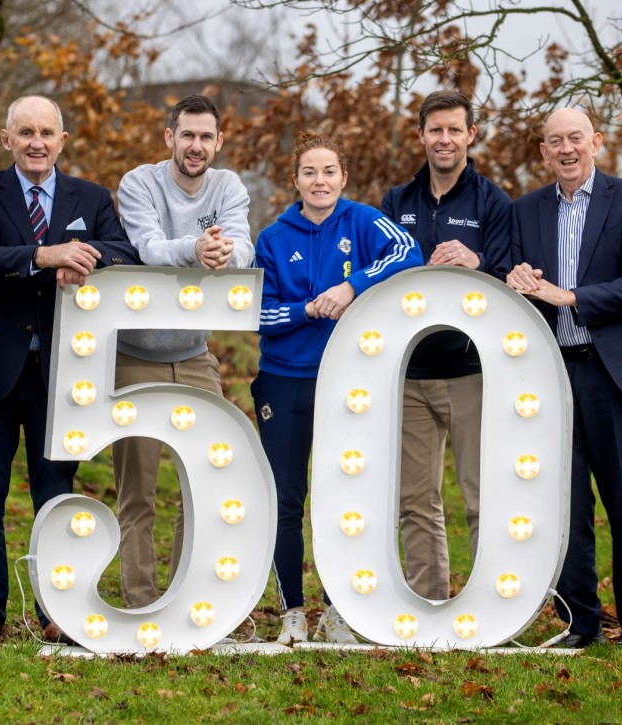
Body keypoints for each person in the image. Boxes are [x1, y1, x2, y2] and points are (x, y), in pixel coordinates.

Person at [0, 95, 140, 641]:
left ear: (62, 140)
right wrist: (44, 254)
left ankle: (59, 613)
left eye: (46, 132)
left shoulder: (92, 196)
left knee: (56, 499)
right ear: (7, 139)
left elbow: (123, 253)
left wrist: (86, 257)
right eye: (25, 132)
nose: (37, 142)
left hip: (63, 373)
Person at [506, 108, 622, 648]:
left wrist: (571, 297)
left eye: (575, 138)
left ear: (596, 142)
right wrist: (513, 276)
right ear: (543, 151)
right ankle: (580, 621)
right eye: (554, 141)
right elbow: (509, 273)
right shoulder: (524, 210)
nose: (566, 149)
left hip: (616, 374)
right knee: (566, 504)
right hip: (551, 375)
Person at [253, 131, 423, 644]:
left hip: (348, 381)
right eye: (309, 172)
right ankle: (292, 613)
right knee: (286, 498)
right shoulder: (273, 238)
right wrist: (305, 310)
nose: (319, 180)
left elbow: (409, 252)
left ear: (343, 178)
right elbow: (257, 313)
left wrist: (353, 286)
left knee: (340, 496)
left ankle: (337, 610)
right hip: (285, 380)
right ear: (296, 180)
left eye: (329, 171)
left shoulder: (364, 221)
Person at [113, 94, 254, 608]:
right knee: (138, 492)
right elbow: (148, 248)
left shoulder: (228, 185)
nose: (196, 146)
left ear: (220, 142)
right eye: (187, 135)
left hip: (195, 354)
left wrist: (223, 253)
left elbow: (243, 246)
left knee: (204, 482)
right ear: (169, 137)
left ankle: (187, 600)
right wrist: (194, 249)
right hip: (135, 354)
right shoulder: (139, 183)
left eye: (206, 137)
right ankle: (141, 605)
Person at [380, 90, 512, 601]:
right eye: (435, 130)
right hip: (410, 370)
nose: (444, 139)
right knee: (415, 500)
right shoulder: (397, 201)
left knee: (480, 496)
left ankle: (487, 604)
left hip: (470, 371)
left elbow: (508, 281)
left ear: (471, 135)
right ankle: (429, 601)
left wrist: (476, 264)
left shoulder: (492, 202)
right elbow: (385, 273)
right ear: (421, 135)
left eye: (455, 129)